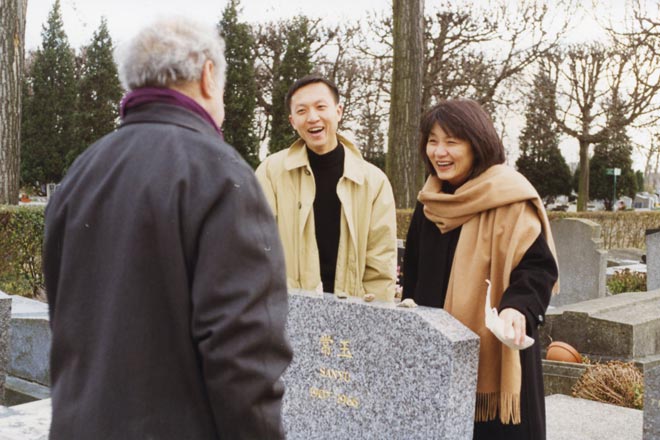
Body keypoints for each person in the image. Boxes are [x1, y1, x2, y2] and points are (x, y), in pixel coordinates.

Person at [43, 17, 292, 439]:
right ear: (208, 76)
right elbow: (243, 358)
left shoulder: (82, 172)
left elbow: (66, 320)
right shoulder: (221, 174)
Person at [402, 99, 559, 440]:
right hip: (437, 353)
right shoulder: (430, 202)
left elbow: (538, 268)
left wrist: (518, 307)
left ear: (477, 144)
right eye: (432, 141)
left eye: (451, 142)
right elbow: (412, 272)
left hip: (496, 349)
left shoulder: (510, 196)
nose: (439, 152)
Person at [256, 75, 397, 301]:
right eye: (302, 111)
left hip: (352, 310)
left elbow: (380, 265)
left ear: (338, 111)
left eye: (321, 107)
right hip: (286, 308)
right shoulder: (271, 173)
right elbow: (256, 249)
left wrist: (374, 314)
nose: (312, 117)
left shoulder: (373, 181)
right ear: (292, 121)